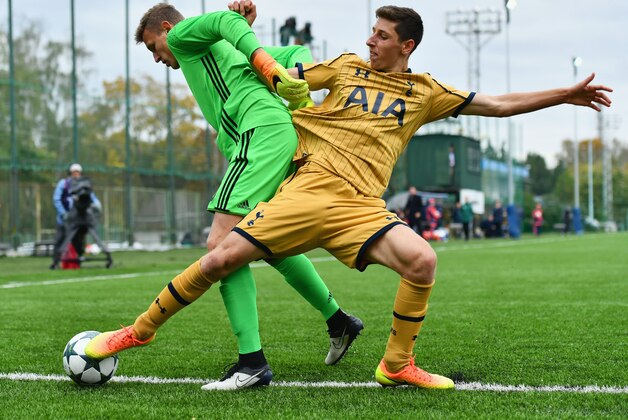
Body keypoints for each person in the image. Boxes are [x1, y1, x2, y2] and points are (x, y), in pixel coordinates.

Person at [87, 3, 612, 391]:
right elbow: (289, 73)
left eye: (381, 37)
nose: (371, 42)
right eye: (371, 33)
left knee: (422, 260)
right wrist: (277, 73)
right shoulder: (343, 67)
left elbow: (497, 103)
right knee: (220, 257)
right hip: (307, 189)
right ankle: (136, 333)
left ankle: (396, 364)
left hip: (360, 207)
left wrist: (562, 94)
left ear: (406, 47)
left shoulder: (425, 91)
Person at [104, 2, 363, 391]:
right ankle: (338, 320)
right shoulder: (224, 51)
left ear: (164, 27)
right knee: (266, 243)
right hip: (279, 137)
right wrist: (289, 84)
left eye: (152, 47)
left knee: (222, 245)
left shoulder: (182, 35)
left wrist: (256, 50)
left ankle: (252, 363)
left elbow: (226, 21)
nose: (157, 57)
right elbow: (294, 55)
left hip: (259, 136)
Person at [50, 163, 101, 269]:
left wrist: (97, 205)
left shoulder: (84, 185)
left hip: (78, 220)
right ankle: (55, 262)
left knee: (78, 241)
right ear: (70, 173)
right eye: (74, 172)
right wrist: (63, 213)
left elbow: (92, 198)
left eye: (78, 172)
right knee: (60, 240)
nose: (76, 174)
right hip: (64, 220)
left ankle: (77, 261)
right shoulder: (63, 184)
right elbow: (56, 199)